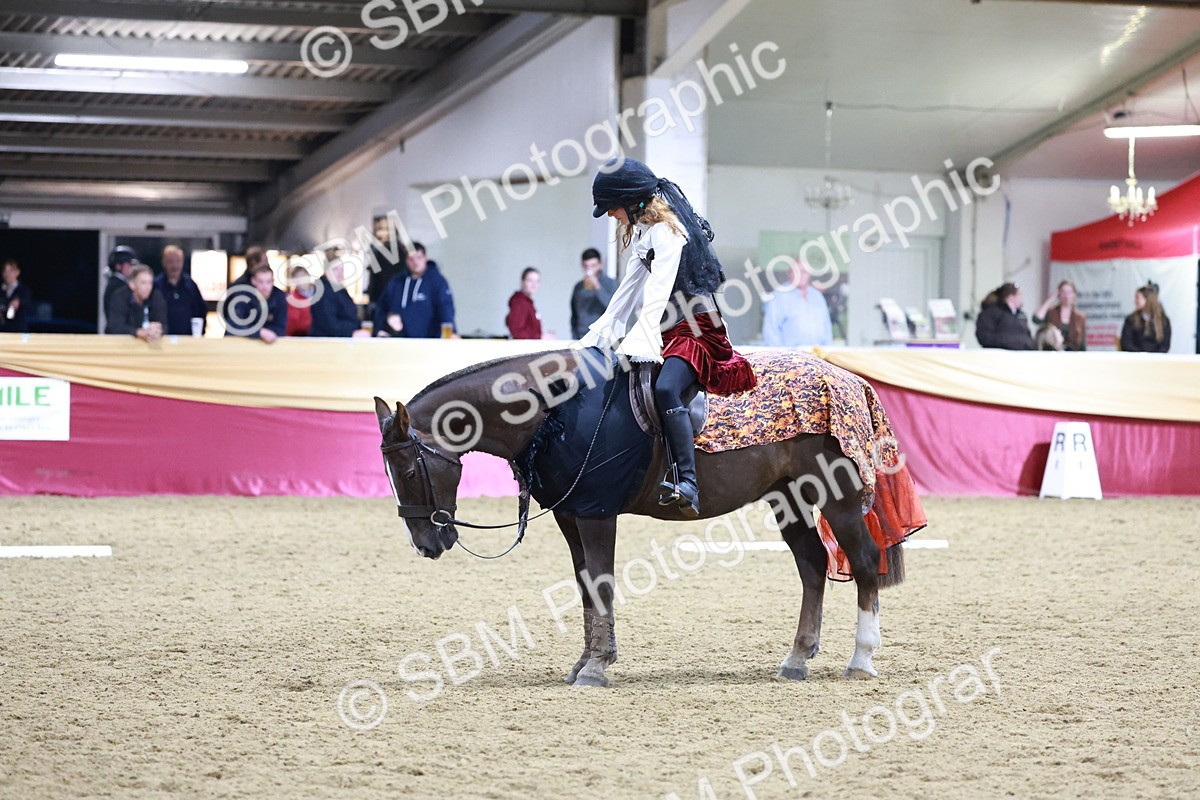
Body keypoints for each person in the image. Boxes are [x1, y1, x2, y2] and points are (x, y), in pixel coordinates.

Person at [578, 158, 757, 517]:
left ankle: (686, 481)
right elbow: (628, 291)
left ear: (631, 201)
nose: (611, 215)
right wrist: (601, 332)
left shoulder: (667, 232)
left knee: (665, 389)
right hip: (668, 326)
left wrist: (641, 341)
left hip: (695, 328)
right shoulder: (644, 232)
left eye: (612, 207)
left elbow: (657, 293)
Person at [373, 242, 456, 338]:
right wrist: (380, 328)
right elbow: (382, 307)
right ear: (406, 260)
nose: (415, 262)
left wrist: (452, 331)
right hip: (399, 341)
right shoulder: (396, 282)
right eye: (411, 259)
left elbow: (446, 308)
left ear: (425, 258)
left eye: (419, 257)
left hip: (429, 341)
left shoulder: (437, 281)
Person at [761, 258, 833, 347]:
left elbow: (827, 327)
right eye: (797, 271)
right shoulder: (780, 295)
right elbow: (770, 331)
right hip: (791, 357)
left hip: (818, 355)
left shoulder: (817, 296)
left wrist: (827, 351)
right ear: (789, 273)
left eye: (805, 272)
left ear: (809, 275)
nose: (801, 275)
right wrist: (781, 357)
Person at [224, 262, 287, 343]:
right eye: (261, 282)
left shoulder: (279, 297)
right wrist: (260, 333)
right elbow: (235, 325)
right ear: (253, 281)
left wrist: (262, 333)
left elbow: (281, 328)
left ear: (273, 281)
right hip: (238, 345)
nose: (265, 287)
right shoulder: (242, 296)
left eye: (268, 282)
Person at [153, 245, 208, 336]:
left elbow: (201, 311)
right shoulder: (156, 285)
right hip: (162, 339)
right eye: (170, 261)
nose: (174, 266)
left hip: (188, 339)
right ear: (164, 263)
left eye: (178, 261)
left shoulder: (191, 285)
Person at [310, 259, 371, 338]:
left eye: (342, 269)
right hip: (328, 342)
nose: (340, 272)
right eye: (335, 269)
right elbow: (329, 323)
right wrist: (351, 333)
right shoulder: (323, 292)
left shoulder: (338, 290)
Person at [105, 263, 166, 340]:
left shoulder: (156, 296)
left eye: (150, 283)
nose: (148, 287)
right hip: (121, 346)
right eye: (143, 283)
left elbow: (164, 325)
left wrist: (157, 330)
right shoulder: (120, 296)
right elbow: (115, 327)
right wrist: (139, 332)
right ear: (132, 284)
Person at [570, 248, 616, 339]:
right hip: (582, 335)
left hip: (603, 337)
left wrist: (597, 287)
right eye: (586, 266)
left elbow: (613, 308)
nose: (589, 269)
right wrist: (575, 336)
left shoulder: (610, 283)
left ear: (600, 264)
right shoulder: (579, 287)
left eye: (593, 265)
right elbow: (574, 314)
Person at [975, 282, 1034, 350]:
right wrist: (1011, 341)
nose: (1021, 298)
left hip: (1021, 355)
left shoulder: (1021, 315)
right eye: (1019, 295)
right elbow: (985, 337)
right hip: (999, 355)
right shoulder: (991, 313)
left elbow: (1028, 336)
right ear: (1010, 297)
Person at [1031, 280, 1086, 351]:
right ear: (1058, 294)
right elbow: (1036, 319)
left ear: (1074, 294)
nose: (1066, 296)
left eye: (1069, 292)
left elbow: (1082, 342)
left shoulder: (1080, 317)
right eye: (1063, 292)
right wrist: (1050, 299)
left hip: (1073, 354)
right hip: (1052, 353)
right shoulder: (1051, 312)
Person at [1120, 283, 1172, 353]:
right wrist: (1140, 355)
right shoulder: (1131, 320)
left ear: (1148, 300)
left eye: (1138, 298)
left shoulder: (1164, 321)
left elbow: (1165, 345)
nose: (1135, 301)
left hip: (1157, 361)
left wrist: (1153, 357)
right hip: (1136, 360)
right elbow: (1126, 343)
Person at [506, 267, 544, 339]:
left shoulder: (528, 303)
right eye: (530, 280)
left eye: (537, 281)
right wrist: (539, 337)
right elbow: (516, 331)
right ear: (522, 282)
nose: (534, 284)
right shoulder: (519, 303)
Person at [102, 245, 138, 320]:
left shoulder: (117, 283)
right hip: (119, 330)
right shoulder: (118, 286)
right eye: (129, 264)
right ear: (118, 266)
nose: (132, 268)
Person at [1, 259, 33, 333]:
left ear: (17, 272)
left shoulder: (24, 291)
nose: (7, 274)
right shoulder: (1, 291)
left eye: (10, 271)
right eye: (5, 271)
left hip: (18, 332)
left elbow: (26, 304)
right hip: (2, 332)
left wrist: (17, 302)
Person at [285, 265, 315, 337]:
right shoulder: (291, 299)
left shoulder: (323, 294)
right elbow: (292, 324)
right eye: (297, 279)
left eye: (303, 277)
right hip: (302, 336)